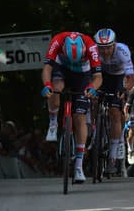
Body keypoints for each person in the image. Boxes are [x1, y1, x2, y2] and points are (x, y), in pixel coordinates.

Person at [41, 31, 102, 183]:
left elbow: (98, 77)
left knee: (79, 117)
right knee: (56, 88)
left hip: (83, 75)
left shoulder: (91, 46)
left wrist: (93, 88)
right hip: (61, 69)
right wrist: (47, 85)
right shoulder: (57, 41)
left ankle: (78, 167)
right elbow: (47, 68)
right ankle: (53, 123)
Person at [93, 28, 134, 176]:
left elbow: (131, 77)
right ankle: (93, 128)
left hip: (118, 78)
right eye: (101, 48)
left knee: (115, 113)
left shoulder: (122, 51)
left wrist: (125, 91)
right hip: (102, 76)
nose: (105, 51)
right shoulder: (94, 52)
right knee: (92, 97)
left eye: (108, 47)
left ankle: (112, 157)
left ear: (115, 44)